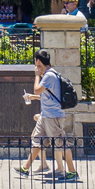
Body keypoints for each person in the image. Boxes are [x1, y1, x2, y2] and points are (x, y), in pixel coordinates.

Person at [16, 49, 76, 180]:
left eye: (35, 62)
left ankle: (72, 171)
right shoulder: (50, 75)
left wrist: (37, 75)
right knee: (37, 141)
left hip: (52, 116)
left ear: (38, 61)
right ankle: (25, 168)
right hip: (46, 116)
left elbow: (37, 90)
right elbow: (46, 96)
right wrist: (33, 97)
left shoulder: (49, 75)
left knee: (61, 143)